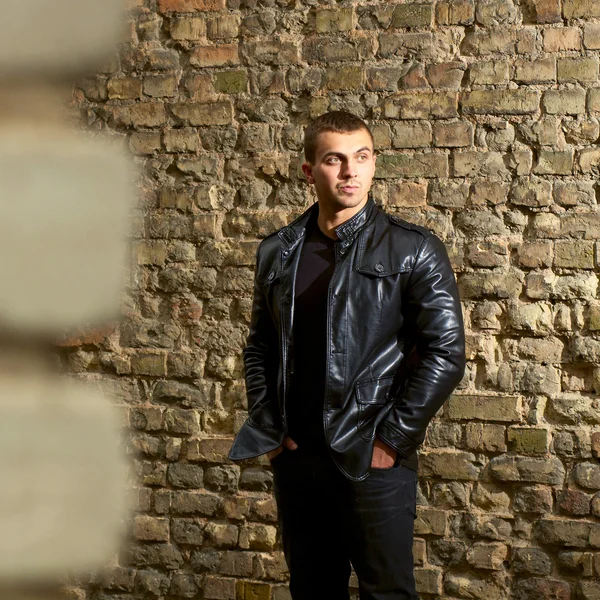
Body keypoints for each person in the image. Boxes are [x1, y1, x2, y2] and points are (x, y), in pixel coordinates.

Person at [228, 110, 466, 599]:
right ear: (309, 171)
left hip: (372, 456)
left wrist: (391, 440)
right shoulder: (278, 251)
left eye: (361, 157)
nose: (350, 171)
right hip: (298, 459)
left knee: (387, 593)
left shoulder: (413, 249)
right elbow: (260, 346)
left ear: (374, 163)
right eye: (334, 160)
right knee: (313, 590)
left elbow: (446, 352)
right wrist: (271, 428)